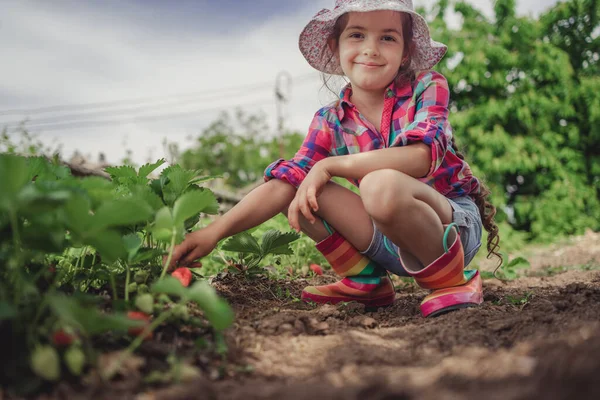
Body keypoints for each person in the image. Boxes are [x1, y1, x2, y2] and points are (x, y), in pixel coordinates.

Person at [169, 0, 501, 318]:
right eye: (357, 35)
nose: (371, 48)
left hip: (450, 228)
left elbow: (420, 157)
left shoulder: (428, 86)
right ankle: (364, 281)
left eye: (387, 37)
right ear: (336, 45)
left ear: (406, 52)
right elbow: (288, 181)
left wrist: (329, 165)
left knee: (378, 184)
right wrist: (213, 233)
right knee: (301, 189)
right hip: (388, 236)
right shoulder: (329, 120)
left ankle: (453, 281)